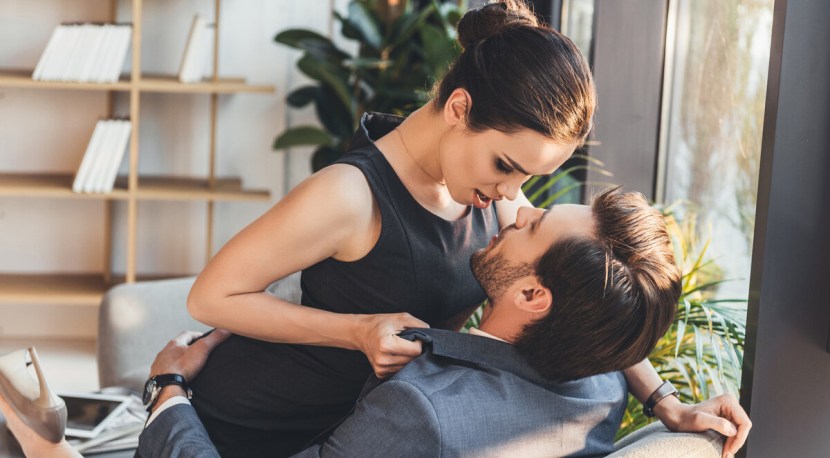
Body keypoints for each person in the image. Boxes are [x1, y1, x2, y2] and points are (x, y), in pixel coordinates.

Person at [178, 2, 693, 456]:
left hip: (371, 433)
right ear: (459, 107)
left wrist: (661, 399)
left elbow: (589, 291)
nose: (515, 194)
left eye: (529, 178)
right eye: (507, 166)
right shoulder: (350, 195)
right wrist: (355, 331)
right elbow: (212, 296)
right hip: (253, 430)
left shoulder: (486, 188)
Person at [0, 189, 751, 458]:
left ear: (534, 298)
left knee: (45, 434)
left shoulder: (422, 415)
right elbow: (623, 344)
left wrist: (168, 387)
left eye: (532, 224)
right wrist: (663, 402)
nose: (514, 206)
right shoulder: (595, 380)